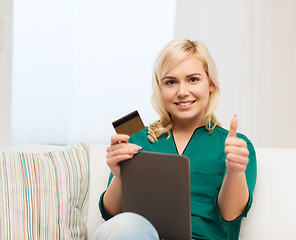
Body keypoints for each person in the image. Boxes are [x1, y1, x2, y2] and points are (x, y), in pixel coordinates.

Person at [94, 39, 257, 240]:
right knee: (127, 225)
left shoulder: (236, 146)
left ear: (211, 84)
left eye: (193, 79)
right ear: (160, 88)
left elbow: (231, 214)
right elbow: (113, 217)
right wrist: (120, 176)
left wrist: (234, 170)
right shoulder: (137, 140)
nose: (182, 91)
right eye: (171, 82)